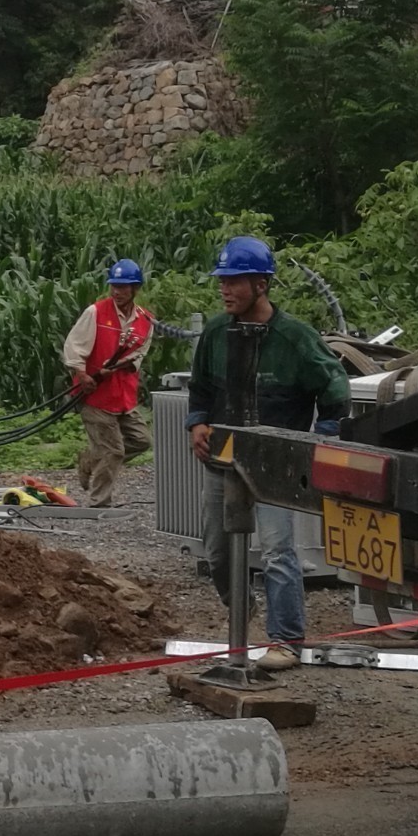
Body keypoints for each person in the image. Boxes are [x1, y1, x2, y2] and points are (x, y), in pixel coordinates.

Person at [186, 236, 350, 672]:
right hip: (224, 457)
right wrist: (197, 421)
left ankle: (286, 640)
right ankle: (240, 611)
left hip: (276, 463)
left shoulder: (294, 339)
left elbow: (334, 387)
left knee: (278, 550)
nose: (225, 290)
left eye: (235, 282)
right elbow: (201, 386)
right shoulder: (217, 334)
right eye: (222, 281)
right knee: (217, 551)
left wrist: (324, 435)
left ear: (261, 284)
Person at [63, 258, 154, 508]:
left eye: (124, 287)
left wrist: (120, 365)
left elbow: (138, 355)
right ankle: (98, 503)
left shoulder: (145, 320)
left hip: (123, 397)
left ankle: (90, 460)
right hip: (95, 396)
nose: (117, 291)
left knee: (142, 441)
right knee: (114, 451)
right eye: (114, 285)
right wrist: (82, 375)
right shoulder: (95, 312)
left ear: (135, 288)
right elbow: (73, 347)